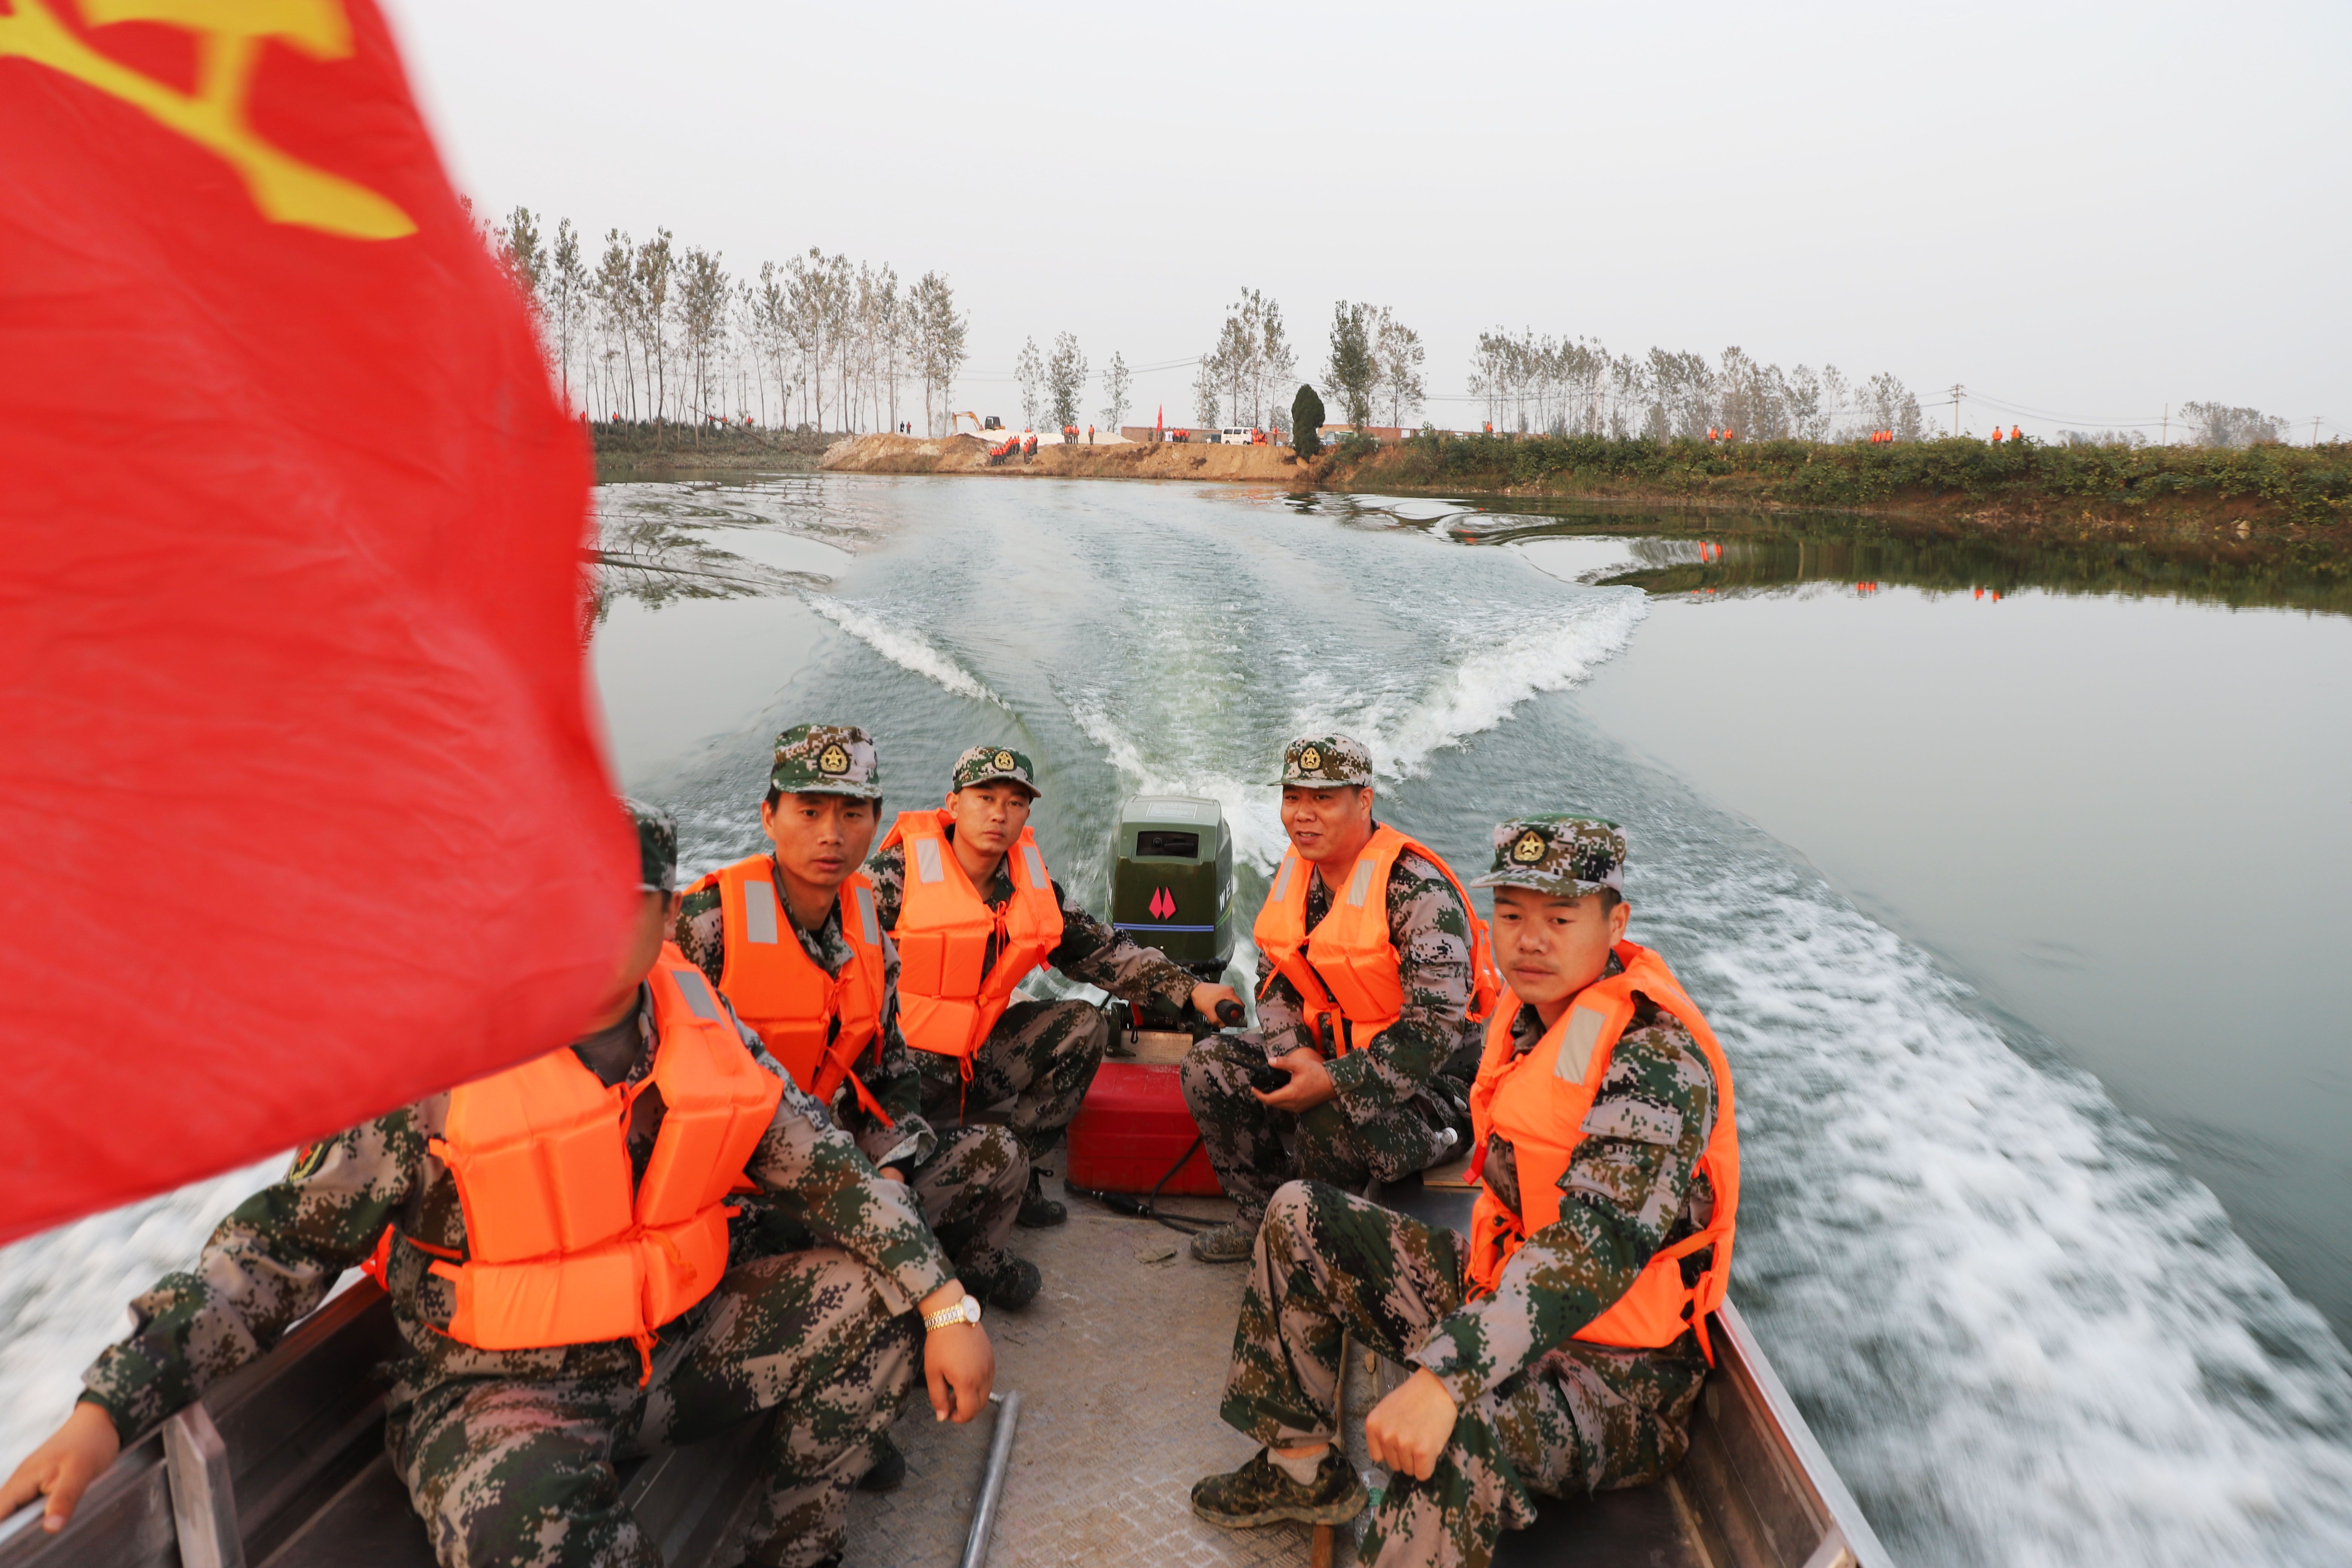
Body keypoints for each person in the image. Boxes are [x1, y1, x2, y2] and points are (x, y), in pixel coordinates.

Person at [1, 802, 997, 1568]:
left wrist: (947, 1303)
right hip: (496, 1390)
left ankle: (798, 1547)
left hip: (672, 1349)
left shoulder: (704, 1025)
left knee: (889, 1295)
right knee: (526, 1522)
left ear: (664, 915)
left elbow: (831, 1173)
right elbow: (274, 1252)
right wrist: (107, 1410)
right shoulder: (429, 1068)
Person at [1190, 813, 1738, 1568]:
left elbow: (1598, 1243)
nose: (1531, 940)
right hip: (1501, 1297)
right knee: (1299, 1215)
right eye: (1511, 916)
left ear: (1616, 924)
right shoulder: (1530, 1014)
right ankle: (1300, 1470)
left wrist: (1448, 1376)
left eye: (1560, 918)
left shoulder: (1657, 1060)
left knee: (1452, 1427)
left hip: (1615, 1378)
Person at [673, 725, 1032, 1313]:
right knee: (880, 1302)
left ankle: (940, 1271)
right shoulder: (706, 927)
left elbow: (891, 1076)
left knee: (999, 1156)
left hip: (842, 1170)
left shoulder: (866, 931)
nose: (831, 834)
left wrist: (892, 1174)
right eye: (809, 811)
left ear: (876, 820)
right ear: (769, 817)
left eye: (852, 814)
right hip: (733, 1197)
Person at [866, 746, 1242, 1229]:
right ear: (954, 803)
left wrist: (1191, 990)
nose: (1000, 814)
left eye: (1016, 802)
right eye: (985, 797)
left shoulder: (1031, 885)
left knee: (1082, 1025)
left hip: (977, 1058)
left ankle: (1016, 1173)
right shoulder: (892, 878)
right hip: (900, 1072)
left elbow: (1103, 951)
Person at [1179, 736, 1496, 1265]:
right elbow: (1275, 982)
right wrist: (1297, 1055)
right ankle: (1262, 1216)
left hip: (1436, 1088)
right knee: (1210, 1065)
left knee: (1329, 1114)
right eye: (1292, 797)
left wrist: (1330, 1080)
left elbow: (1434, 1031)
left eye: (1323, 799)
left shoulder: (1418, 893)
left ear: (1364, 801)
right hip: (1329, 1053)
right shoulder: (1300, 872)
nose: (1302, 814)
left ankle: (1314, 1250)